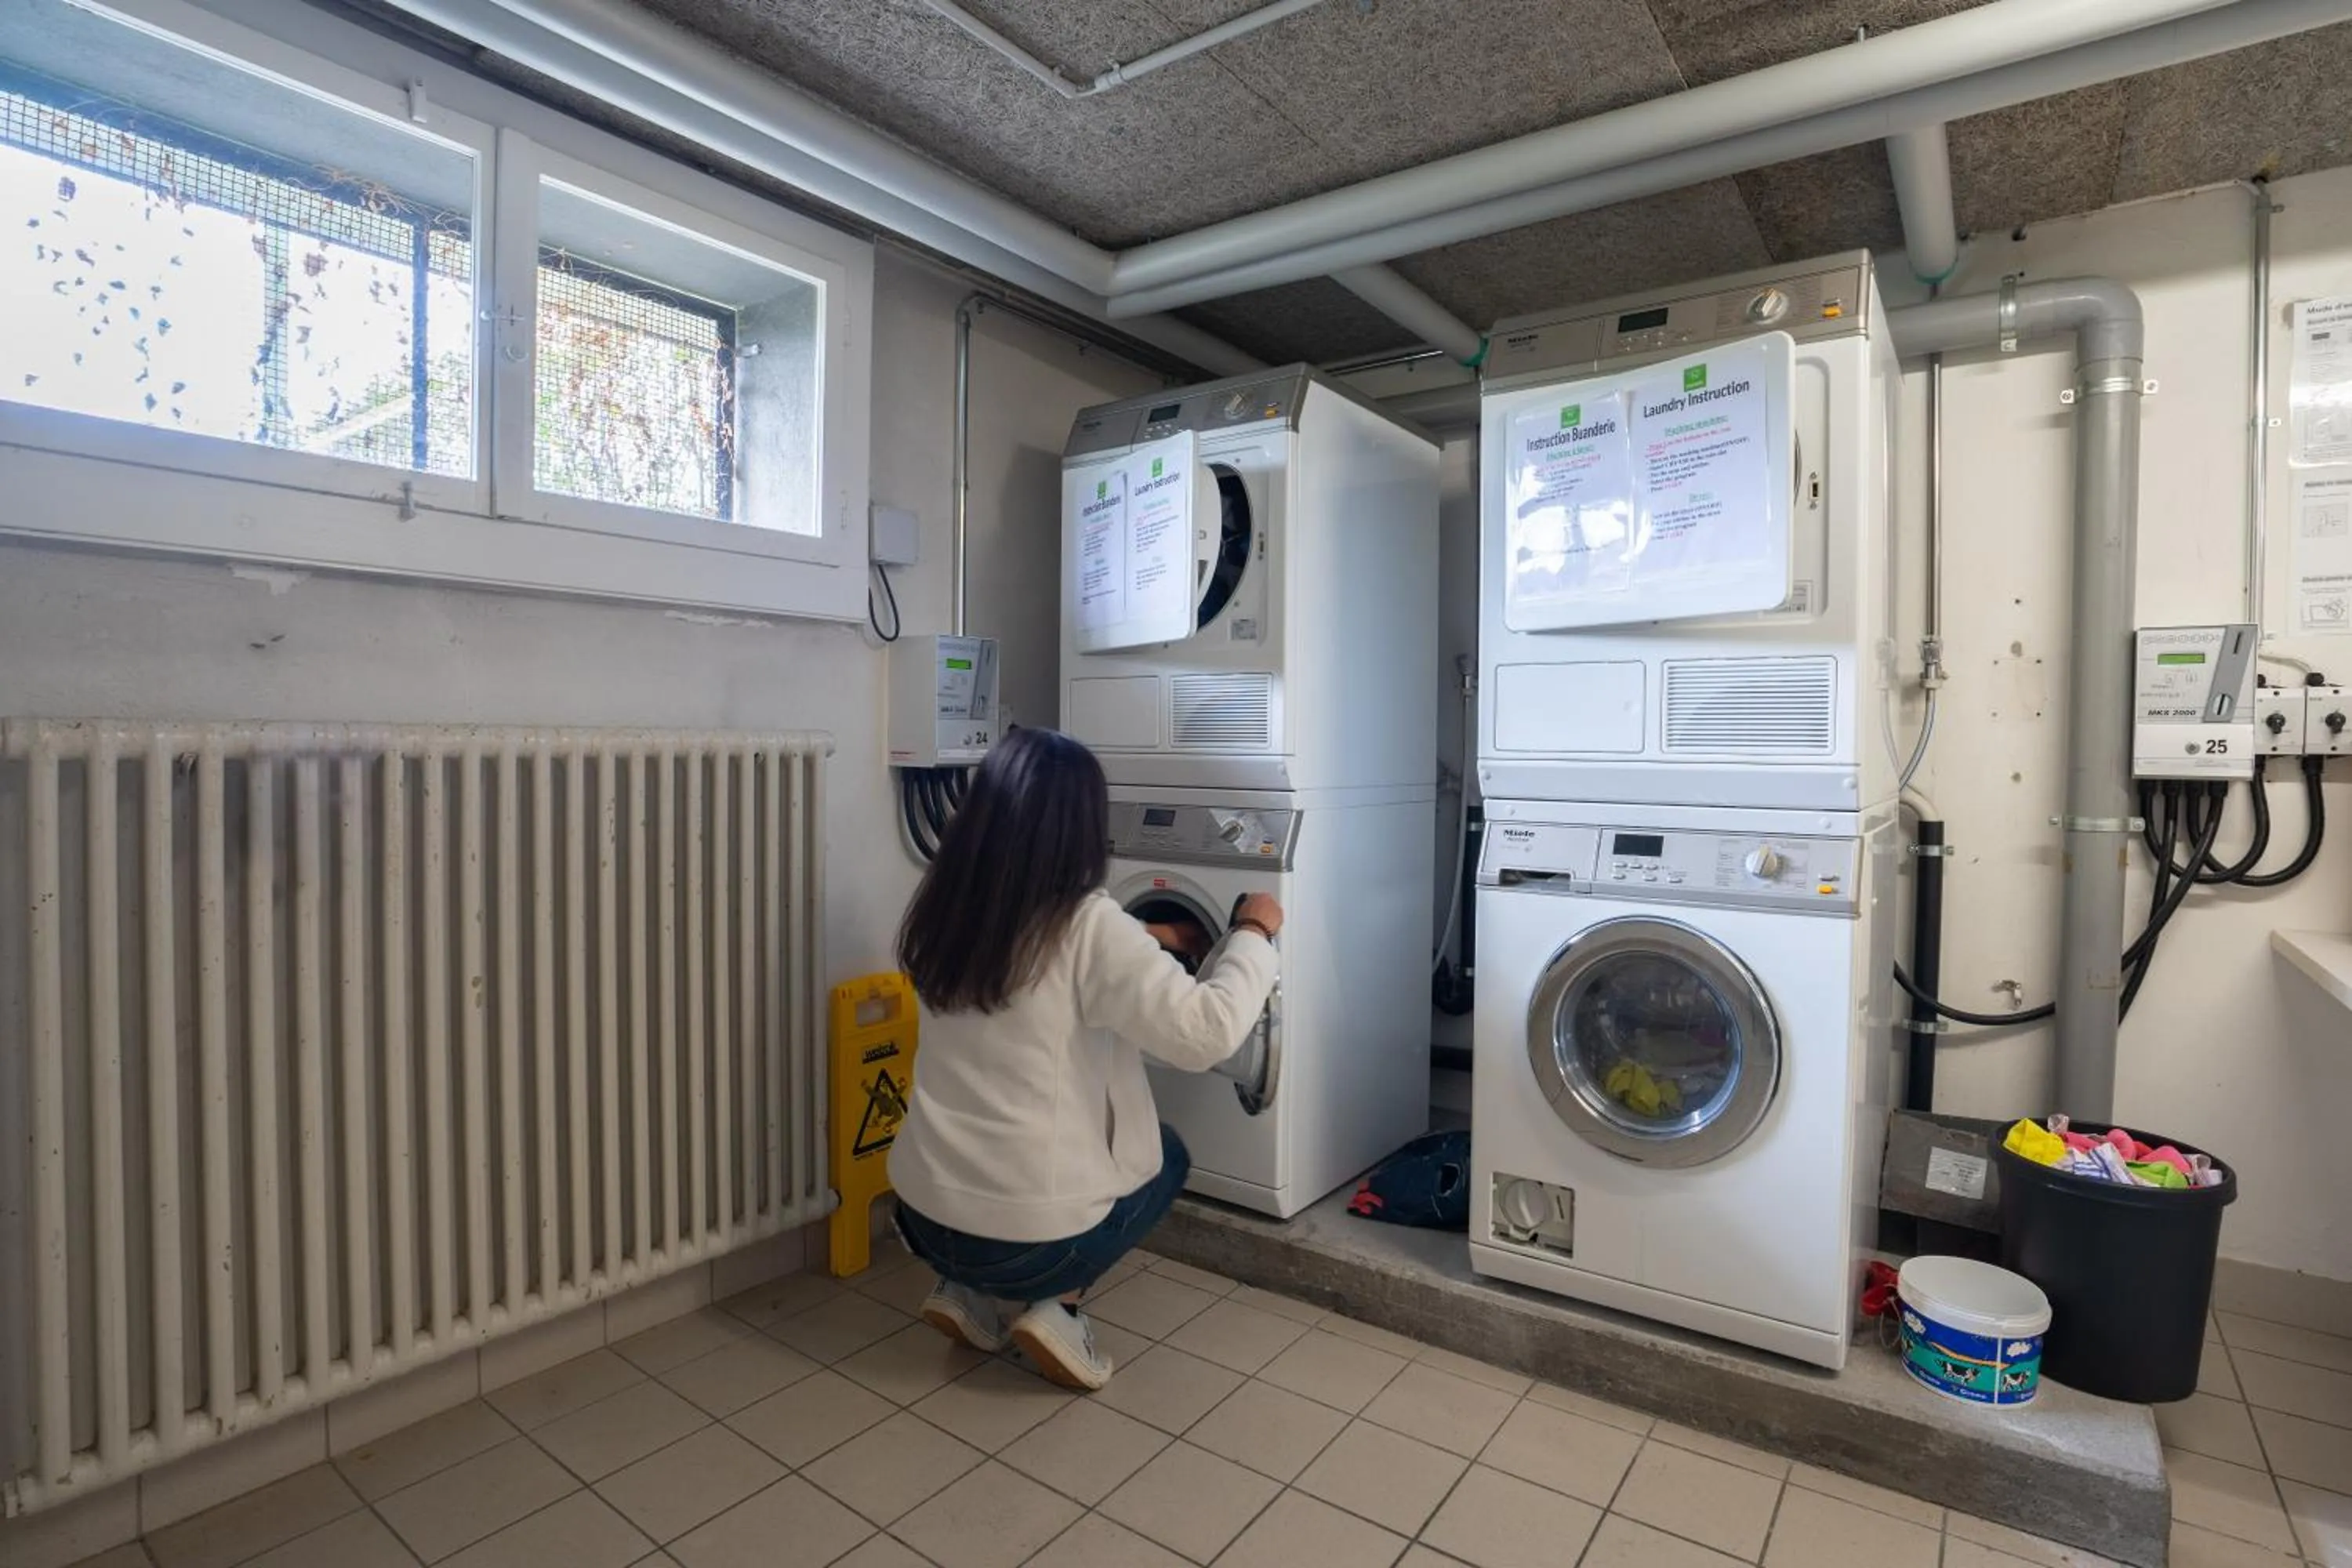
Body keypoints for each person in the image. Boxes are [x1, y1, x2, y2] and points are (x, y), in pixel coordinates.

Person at [888, 727, 1283, 1389]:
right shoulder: (1087, 927)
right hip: (1029, 1244)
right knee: (1169, 1156)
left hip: (922, 1216)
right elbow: (1207, 1033)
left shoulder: (944, 905)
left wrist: (1146, 935)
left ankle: (966, 1291)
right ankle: (1058, 1308)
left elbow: (1043, 956)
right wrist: (1252, 933)